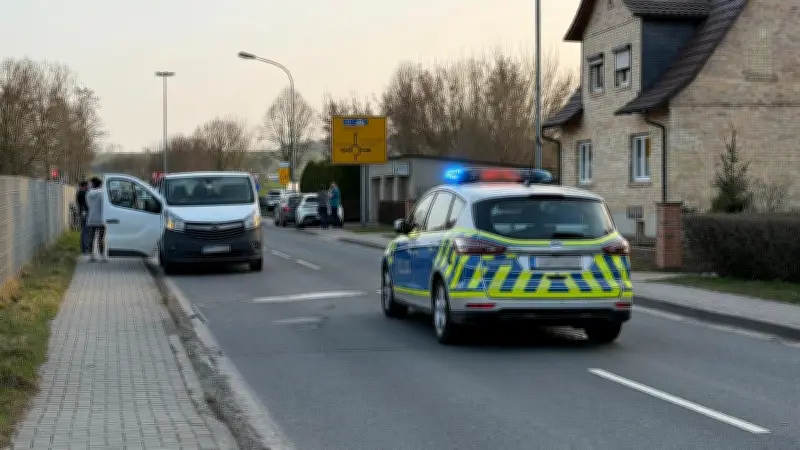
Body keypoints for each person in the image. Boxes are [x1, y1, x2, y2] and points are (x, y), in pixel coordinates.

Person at [85, 177, 107, 262]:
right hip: (101, 219)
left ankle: (91, 256)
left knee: (91, 237)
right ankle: (102, 256)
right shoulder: (103, 193)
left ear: (93, 184)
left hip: (91, 218)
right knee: (100, 238)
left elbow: (88, 205)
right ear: (100, 184)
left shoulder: (88, 193)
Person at [76, 180, 90, 254]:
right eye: (87, 186)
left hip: (82, 213)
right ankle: (85, 249)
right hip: (84, 213)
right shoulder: (82, 193)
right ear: (83, 186)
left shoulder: (79, 193)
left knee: (84, 231)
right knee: (85, 231)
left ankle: (84, 248)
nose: (88, 187)